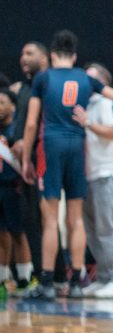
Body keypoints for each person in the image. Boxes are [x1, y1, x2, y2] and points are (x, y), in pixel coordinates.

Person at [19, 30, 113, 300]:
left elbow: (31, 123)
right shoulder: (86, 79)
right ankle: (76, 281)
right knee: (75, 219)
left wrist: (26, 158)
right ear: (74, 56)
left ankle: (48, 282)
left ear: (52, 55)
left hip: (50, 145)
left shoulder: (43, 78)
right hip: (77, 145)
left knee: (50, 219)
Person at [76, 62, 113, 299]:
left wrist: (88, 123)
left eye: (92, 78)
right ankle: (104, 277)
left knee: (107, 228)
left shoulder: (106, 103)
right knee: (92, 229)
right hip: (89, 173)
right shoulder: (88, 104)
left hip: (106, 173)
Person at [11, 41, 48, 279]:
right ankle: (30, 272)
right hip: (20, 163)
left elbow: (37, 123)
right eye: (22, 53)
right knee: (26, 219)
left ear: (44, 57)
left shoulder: (49, 84)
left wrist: (27, 144)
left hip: (39, 160)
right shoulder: (23, 88)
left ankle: (53, 275)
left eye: (29, 53)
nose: (23, 57)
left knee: (44, 218)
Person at [0, 89, 32, 300]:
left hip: (16, 186)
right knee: (2, 234)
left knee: (19, 232)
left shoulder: (18, 130)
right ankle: (3, 279)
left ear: (12, 105)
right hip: (0, 187)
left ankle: (25, 278)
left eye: (2, 102)